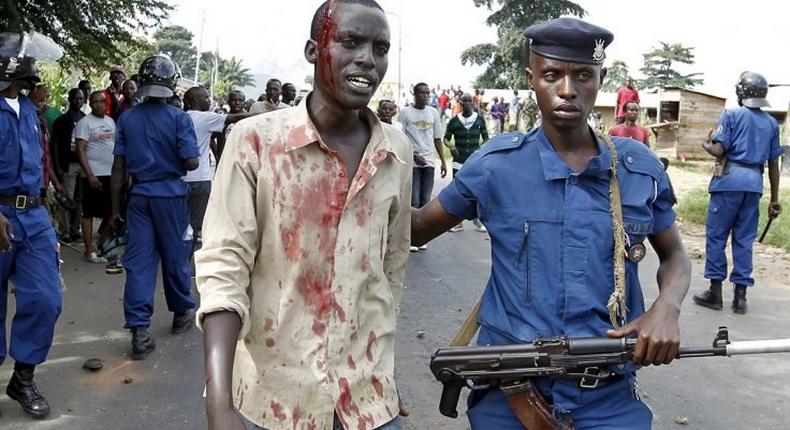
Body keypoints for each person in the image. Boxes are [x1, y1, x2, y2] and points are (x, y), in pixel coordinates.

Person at [411, 17, 691, 429]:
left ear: (602, 79)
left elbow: (676, 256)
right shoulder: (494, 167)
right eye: (551, 75)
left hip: (607, 397)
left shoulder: (637, 169)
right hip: (509, 394)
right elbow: (415, 230)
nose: (567, 89)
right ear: (531, 79)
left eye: (582, 75)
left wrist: (666, 308)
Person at [196, 1, 411, 429]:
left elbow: (390, 272)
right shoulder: (255, 142)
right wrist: (219, 403)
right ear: (315, 50)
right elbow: (224, 268)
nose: (368, 59)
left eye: (380, 47)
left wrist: (379, 370)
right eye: (351, 41)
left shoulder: (395, 152)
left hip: (367, 403)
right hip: (272, 403)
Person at [109, 55, 200, 360]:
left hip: (138, 197)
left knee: (138, 262)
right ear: (172, 83)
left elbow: (118, 169)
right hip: (171, 195)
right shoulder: (179, 118)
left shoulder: (127, 118)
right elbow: (191, 162)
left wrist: (114, 210)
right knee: (175, 257)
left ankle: (139, 330)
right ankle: (181, 311)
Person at [0, 30, 64, 420]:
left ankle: (23, 377)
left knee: (45, 298)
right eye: (28, 62)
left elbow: (37, 165)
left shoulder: (31, 113)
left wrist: (46, 203)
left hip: (35, 216)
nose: (34, 69)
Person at [692, 71, 783, 315]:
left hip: (728, 182)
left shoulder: (731, 115)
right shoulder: (772, 123)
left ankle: (715, 291)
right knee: (744, 240)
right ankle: (740, 297)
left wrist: (706, 144)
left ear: (740, 92)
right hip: (754, 184)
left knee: (717, 236)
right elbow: (774, 163)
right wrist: (774, 198)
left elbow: (720, 148)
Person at [182, 86, 261, 250]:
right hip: (199, 180)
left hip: (180, 179)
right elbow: (236, 117)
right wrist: (269, 113)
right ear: (195, 101)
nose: (208, 101)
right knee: (194, 226)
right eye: (205, 97)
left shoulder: (180, 117)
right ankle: (183, 266)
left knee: (179, 224)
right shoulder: (206, 118)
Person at [400, 82, 446, 251]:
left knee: (425, 201)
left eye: (427, 93)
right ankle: (410, 237)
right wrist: (413, 156)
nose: (425, 96)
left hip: (429, 161)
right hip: (413, 161)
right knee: (414, 200)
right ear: (415, 94)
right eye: (422, 93)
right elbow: (401, 139)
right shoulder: (405, 113)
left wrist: (442, 160)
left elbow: (437, 138)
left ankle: (421, 236)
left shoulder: (433, 112)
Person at [74, 91, 116, 265]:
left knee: (110, 213)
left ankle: (100, 246)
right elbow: (80, 149)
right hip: (93, 174)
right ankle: (88, 250)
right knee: (89, 213)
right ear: (90, 104)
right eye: (95, 102)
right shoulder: (85, 123)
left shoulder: (110, 121)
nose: (99, 104)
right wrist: (89, 174)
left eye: (102, 101)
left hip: (111, 174)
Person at [444, 93, 488, 233]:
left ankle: (477, 220)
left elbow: (486, 138)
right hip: (459, 161)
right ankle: (458, 223)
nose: (468, 104)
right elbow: (445, 138)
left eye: (470, 101)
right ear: (461, 104)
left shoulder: (479, 120)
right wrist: (451, 147)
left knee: (477, 191)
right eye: (465, 101)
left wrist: (481, 150)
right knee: (458, 192)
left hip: (474, 161)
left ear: (474, 104)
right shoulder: (454, 121)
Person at [51, 88, 86, 243]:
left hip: (84, 164)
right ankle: (65, 231)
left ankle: (75, 229)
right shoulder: (62, 121)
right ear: (70, 99)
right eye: (76, 98)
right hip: (68, 164)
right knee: (66, 198)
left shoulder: (86, 119)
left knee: (80, 198)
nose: (78, 102)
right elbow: (55, 145)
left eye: (81, 99)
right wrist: (57, 167)